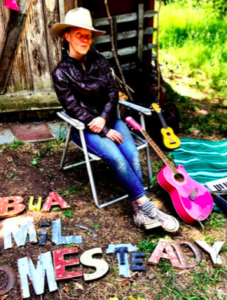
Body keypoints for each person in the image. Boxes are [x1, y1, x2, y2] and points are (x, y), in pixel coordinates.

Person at [51, 7, 179, 233]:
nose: (83, 39)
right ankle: (148, 207)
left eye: (87, 35)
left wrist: (104, 119)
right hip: (84, 128)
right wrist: (100, 128)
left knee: (132, 155)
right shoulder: (61, 72)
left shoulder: (99, 61)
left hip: (109, 118)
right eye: (78, 34)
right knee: (118, 159)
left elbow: (112, 93)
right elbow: (71, 106)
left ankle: (138, 212)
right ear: (67, 36)